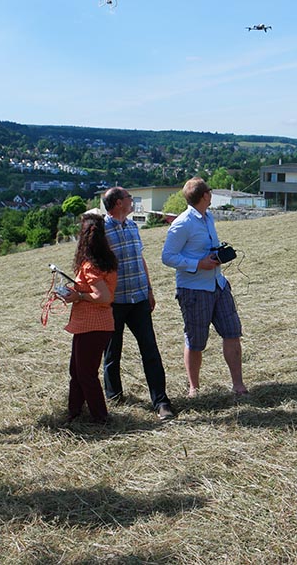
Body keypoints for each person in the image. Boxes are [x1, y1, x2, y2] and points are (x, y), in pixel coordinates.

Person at [161, 177, 248, 398]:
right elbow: (167, 257)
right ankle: (194, 389)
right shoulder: (183, 223)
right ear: (205, 196)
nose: (211, 194)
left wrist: (216, 254)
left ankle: (238, 385)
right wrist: (198, 264)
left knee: (232, 332)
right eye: (209, 191)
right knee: (196, 341)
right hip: (194, 290)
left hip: (218, 284)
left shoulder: (207, 217)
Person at [100, 187, 175, 422]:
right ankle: (114, 397)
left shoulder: (132, 227)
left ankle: (161, 401)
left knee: (150, 350)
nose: (132, 202)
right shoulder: (101, 231)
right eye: (129, 199)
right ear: (118, 203)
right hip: (115, 302)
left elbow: (140, 259)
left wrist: (150, 290)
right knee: (112, 353)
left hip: (139, 298)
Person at [63, 213, 118, 424]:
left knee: (85, 373)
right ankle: (74, 412)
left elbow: (103, 296)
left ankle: (100, 417)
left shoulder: (89, 265)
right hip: (96, 325)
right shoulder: (106, 260)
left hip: (92, 326)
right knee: (77, 371)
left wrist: (78, 296)